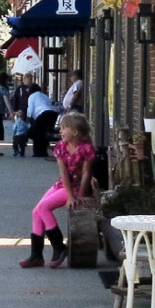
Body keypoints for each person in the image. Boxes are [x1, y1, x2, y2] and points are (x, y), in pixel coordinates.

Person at [19, 111, 95, 269]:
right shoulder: (61, 147)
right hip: (64, 185)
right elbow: (64, 173)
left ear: (74, 132)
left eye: (64, 128)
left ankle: (59, 246)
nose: (60, 131)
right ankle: (36, 255)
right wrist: (68, 195)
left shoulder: (86, 149)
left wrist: (78, 196)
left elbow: (87, 174)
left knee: (44, 207)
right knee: (36, 211)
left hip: (76, 188)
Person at [26, 83, 57, 158]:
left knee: (34, 133)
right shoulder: (44, 95)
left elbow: (31, 109)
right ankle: (43, 150)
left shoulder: (32, 96)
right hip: (52, 113)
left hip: (43, 114)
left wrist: (28, 118)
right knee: (42, 133)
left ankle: (38, 152)